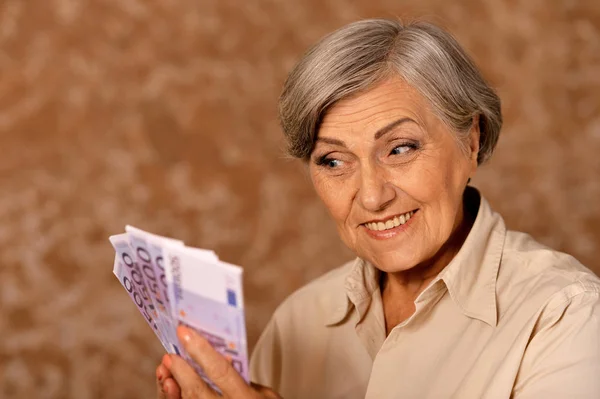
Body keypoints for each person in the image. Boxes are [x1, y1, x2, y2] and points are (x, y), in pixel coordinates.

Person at [155, 18, 600, 399]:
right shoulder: (298, 322)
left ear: (471, 141)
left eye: (400, 149)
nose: (371, 196)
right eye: (333, 160)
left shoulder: (565, 314)